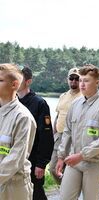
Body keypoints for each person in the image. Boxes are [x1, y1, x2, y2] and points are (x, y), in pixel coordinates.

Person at [56, 64, 99, 200]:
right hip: (74, 162)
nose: (81, 84)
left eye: (86, 81)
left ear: (97, 82)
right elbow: (67, 132)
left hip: (95, 163)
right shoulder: (75, 104)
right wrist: (61, 156)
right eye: (81, 80)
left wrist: (82, 155)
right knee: (65, 197)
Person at [0, 63, 36, 200]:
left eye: (0, 80)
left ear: (14, 85)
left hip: (14, 188)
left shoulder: (23, 117)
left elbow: (16, 158)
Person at [17, 66, 54, 200]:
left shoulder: (39, 103)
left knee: (36, 193)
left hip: (33, 160)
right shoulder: (10, 102)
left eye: (19, 78)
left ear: (28, 81)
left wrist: (41, 164)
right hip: (15, 159)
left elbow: (46, 137)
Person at [49, 68, 81, 184]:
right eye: (71, 78)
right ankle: (66, 190)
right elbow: (58, 116)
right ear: (67, 80)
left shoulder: (83, 96)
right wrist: (54, 133)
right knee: (53, 168)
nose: (74, 81)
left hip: (73, 138)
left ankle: (69, 193)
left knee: (70, 168)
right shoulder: (63, 96)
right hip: (59, 137)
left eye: (77, 79)